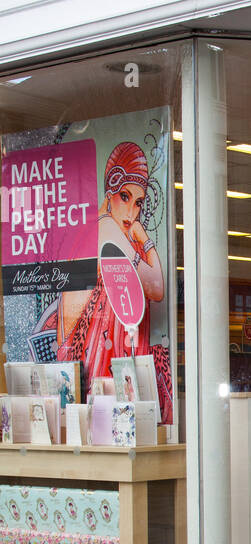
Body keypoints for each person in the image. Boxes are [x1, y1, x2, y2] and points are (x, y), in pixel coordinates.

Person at [57, 142, 164, 390]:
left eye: (138, 202)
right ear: (109, 193)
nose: (131, 213)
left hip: (97, 356)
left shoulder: (102, 228)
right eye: (124, 197)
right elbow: (156, 287)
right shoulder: (107, 228)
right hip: (95, 356)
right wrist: (144, 239)